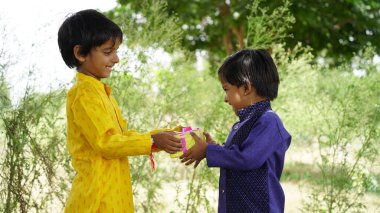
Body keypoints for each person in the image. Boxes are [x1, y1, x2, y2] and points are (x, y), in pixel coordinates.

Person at [57, 9, 182, 212]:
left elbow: (121, 138)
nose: (116, 59)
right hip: (96, 201)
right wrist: (152, 141)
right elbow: (106, 143)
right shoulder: (84, 94)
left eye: (115, 51)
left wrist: (162, 136)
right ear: (80, 53)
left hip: (115, 197)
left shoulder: (101, 92)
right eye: (108, 52)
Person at [180, 49, 291, 212]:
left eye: (226, 89)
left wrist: (208, 151)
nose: (225, 98)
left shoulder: (269, 121)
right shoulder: (243, 124)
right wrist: (216, 148)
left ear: (246, 88)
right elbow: (237, 156)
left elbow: (248, 159)